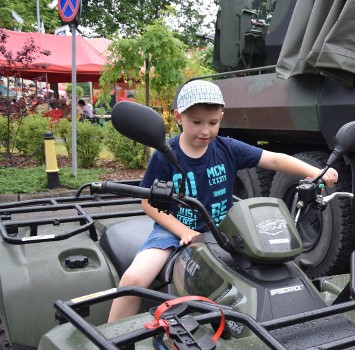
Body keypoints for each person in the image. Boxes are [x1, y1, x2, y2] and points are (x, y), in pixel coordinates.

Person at [108, 80, 339, 322]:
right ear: (178, 116)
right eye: (196, 122)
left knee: (271, 272)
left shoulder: (227, 148)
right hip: (174, 232)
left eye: (213, 122)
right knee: (134, 280)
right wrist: (183, 231)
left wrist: (314, 171)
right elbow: (147, 202)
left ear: (221, 117)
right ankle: (112, 341)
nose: (205, 130)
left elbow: (271, 159)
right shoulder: (166, 155)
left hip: (223, 231)